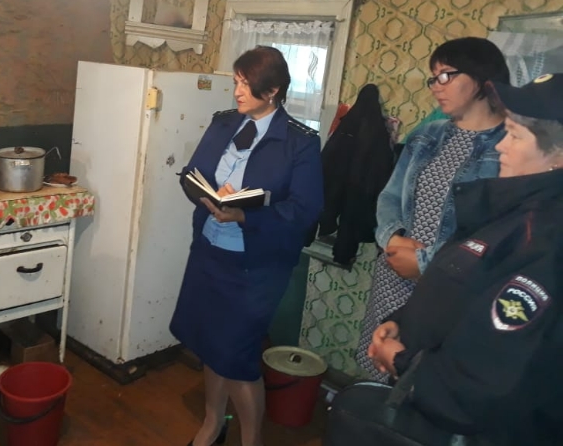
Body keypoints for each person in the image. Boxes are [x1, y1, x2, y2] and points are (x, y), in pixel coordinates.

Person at [324, 73, 563, 446]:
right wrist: (401, 321)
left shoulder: (543, 242)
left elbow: (482, 383)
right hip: (423, 387)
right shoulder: (510, 208)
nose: (502, 146)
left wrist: (402, 362)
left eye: (515, 136)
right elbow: (461, 290)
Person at [169, 46, 323, 446]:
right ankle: (213, 423)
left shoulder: (300, 142)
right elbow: (192, 173)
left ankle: (251, 440)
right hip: (209, 252)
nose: (237, 91)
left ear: (272, 91)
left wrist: (244, 215)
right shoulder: (224, 123)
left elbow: (305, 210)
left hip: (257, 267)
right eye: (236, 81)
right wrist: (205, 194)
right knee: (210, 343)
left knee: (237, 355)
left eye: (245, 84)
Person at [355, 37, 510, 381]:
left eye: (446, 76)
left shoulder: (510, 146)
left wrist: (426, 263)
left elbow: (493, 233)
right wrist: (393, 238)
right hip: (396, 273)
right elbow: (390, 196)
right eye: (433, 78)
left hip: (452, 286)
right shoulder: (427, 135)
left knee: (424, 380)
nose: (436, 86)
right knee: (380, 371)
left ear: (482, 79)